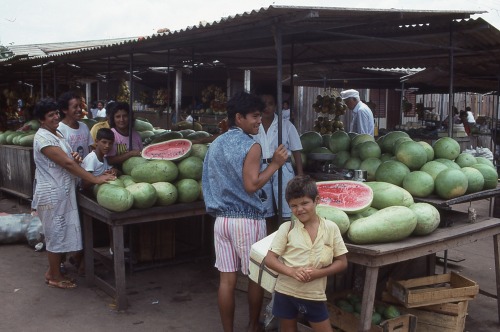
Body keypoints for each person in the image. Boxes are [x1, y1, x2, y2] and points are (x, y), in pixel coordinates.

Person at [202, 91, 288, 332]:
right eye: (254, 116)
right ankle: (252, 326)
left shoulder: (217, 143)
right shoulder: (252, 146)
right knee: (255, 278)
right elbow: (252, 185)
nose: (259, 121)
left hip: (222, 221)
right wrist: (275, 164)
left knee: (226, 282)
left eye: (260, 116)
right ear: (239, 118)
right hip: (247, 220)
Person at [32, 98, 115, 289]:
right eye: (50, 115)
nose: (55, 117)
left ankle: (52, 271)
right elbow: (66, 164)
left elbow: (69, 158)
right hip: (51, 193)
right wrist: (95, 179)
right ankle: (55, 276)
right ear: (41, 120)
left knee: (59, 233)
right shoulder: (42, 138)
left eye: (56, 113)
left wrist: (75, 157)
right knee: (55, 235)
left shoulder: (56, 133)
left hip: (62, 191)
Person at [264, 175, 348, 332]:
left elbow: (342, 262)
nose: (300, 209)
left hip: (313, 295)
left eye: (305, 203)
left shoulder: (331, 228)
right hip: (285, 292)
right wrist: (292, 271)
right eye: (294, 205)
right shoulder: (287, 228)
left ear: (317, 200)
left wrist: (319, 273)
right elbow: (270, 259)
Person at [253, 94, 303, 232]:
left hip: (283, 167)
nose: (266, 107)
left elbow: (296, 150)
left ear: (276, 106)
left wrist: (300, 175)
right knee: (265, 210)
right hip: (261, 168)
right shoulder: (254, 126)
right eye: (263, 103)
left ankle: (286, 238)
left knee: (286, 209)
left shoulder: (286, 124)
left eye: (270, 103)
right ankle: (267, 239)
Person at [57, 91, 94, 159]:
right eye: (75, 107)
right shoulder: (59, 130)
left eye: (80, 106)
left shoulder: (84, 127)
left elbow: (90, 150)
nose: (79, 109)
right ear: (64, 110)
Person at [106, 101, 143, 167]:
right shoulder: (111, 135)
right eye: (118, 117)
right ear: (113, 119)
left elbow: (141, 153)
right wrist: (130, 154)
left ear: (130, 117)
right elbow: (109, 160)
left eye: (125, 116)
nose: (122, 119)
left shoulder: (136, 135)